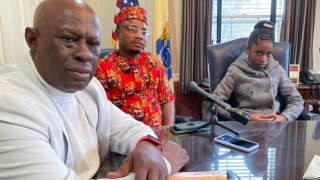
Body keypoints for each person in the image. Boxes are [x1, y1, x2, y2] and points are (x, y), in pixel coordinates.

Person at [0, 0, 189, 179]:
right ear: (33, 40)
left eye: (93, 44)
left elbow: (126, 126)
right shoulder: (8, 104)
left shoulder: (88, 87)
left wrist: (147, 145)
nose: (84, 54)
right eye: (69, 39)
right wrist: (165, 164)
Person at [95, 6, 175, 128]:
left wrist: (168, 131)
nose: (139, 36)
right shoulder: (103, 67)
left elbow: (166, 101)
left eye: (144, 32)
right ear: (117, 33)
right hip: (123, 139)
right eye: (133, 29)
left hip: (158, 136)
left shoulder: (154, 64)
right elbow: (102, 112)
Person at [213, 20, 304, 121]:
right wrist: (247, 117)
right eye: (259, 53)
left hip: (274, 126)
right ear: (248, 50)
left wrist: (284, 117)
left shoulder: (277, 69)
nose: (264, 59)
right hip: (246, 127)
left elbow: (297, 100)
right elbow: (215, 102)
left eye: (268, 54)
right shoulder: (236, 70)